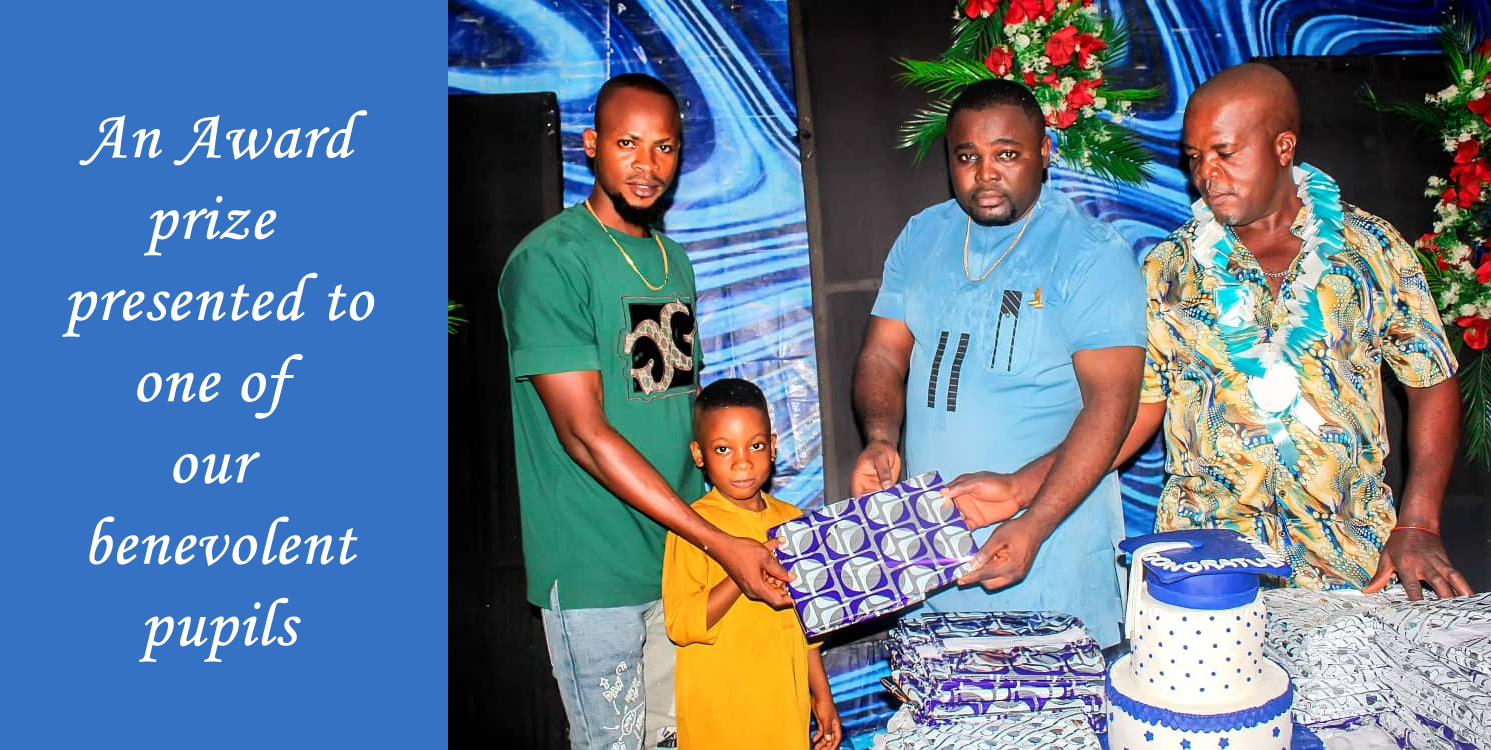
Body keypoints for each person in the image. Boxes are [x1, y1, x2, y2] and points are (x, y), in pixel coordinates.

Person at [498, 73, 792, 750]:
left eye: (664, 146)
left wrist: (721, 530)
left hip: (679, 561)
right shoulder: (548, 261)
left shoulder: (673, 260)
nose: (646, 163)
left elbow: (683, 407)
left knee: (680, 740)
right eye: (627, 142)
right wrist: (719, 540)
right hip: (594, 564)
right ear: (591, 145)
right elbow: (584, 435)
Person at [1114, 62, 1474, 600]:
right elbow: (1141, 406)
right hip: (1208, 564)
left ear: (1283, 147)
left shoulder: (1370, 248)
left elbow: (1431, 380)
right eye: (1195, 157)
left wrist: (1419, 523)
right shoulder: (1169, 267)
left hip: (1352, 563)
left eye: (1225, 153)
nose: (1207, 173)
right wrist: (1045, 486)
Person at [850, 78, 1147, 647]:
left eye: (1006, 155)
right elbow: (883, 352)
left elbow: (1114, 405)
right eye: (967, 157)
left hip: (1049, 557)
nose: (985, 174)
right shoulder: (923, 235)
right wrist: (881, 439)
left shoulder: (1090, 252)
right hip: (933, 559)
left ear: (1044, 152)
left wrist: (1033, 521)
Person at [661, 378, 841, 750]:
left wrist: (822, 695)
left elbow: (807, 624)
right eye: (723, 448)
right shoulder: (694, 527)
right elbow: (681, 624)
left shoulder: (793, 522)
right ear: (699, 454)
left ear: (772, 447)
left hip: (784, 713)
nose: (742, 462)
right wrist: (740, 576)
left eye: (755, 445)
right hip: (720, 719)